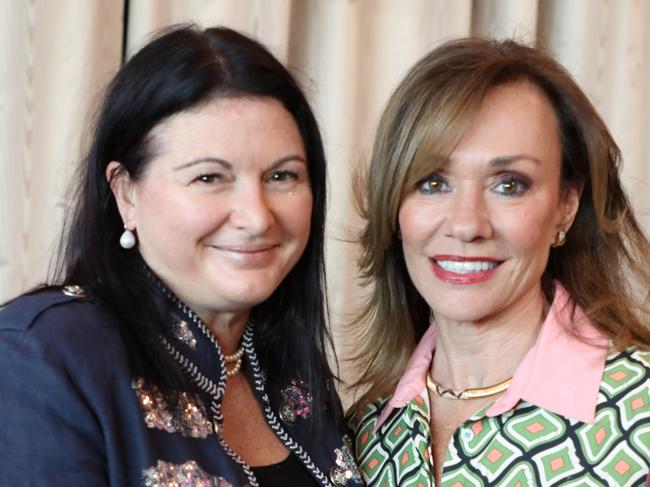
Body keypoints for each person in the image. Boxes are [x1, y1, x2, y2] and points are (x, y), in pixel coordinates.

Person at [0, 25, 362, 487]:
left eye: (282, 176)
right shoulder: (42, 356)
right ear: (126, 192)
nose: (256, 217)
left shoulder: (287, 373)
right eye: (209, 178)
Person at [350, 38, 650, 486]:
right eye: (432, 182)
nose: (467, 225)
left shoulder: (641, 413)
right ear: (394, 204)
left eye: (509, 184)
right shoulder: (364, 436)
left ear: (565, 206)